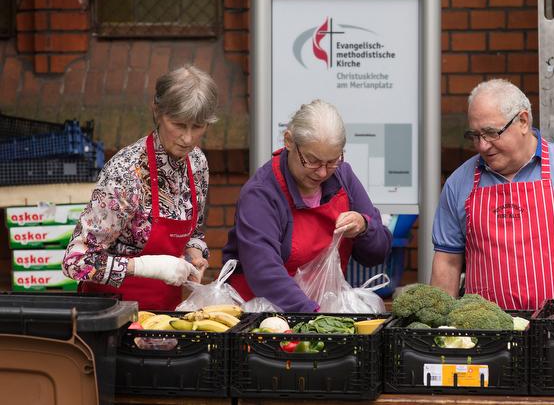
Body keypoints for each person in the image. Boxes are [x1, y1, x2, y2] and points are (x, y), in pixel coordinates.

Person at [430, 79, 554, 310]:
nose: (482, 146)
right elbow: (447, 263)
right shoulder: (458, 184)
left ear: (522, 121)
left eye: (491, 133)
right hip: (488, 337)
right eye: (475, 135)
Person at [62, 63, 218, 311]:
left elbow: (194, 234)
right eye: (178, 124)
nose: (188, 139)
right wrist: (149, 267)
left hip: (163, 315)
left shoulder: (197, 163)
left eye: (197, 127)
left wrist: (194, 255)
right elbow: (76, 262)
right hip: (110, 313)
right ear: (157, 111)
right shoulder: (127, 174)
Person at [221, 99, 393, 312]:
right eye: (312, 160)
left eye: (332, 161)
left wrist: (364, 227)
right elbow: (264, 272)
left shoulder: (344, 178)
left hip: (322, 310)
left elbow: (379, 253)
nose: (322, 172)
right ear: (289, 142)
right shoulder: (261, 194)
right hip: (261, 315)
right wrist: (313, 316)